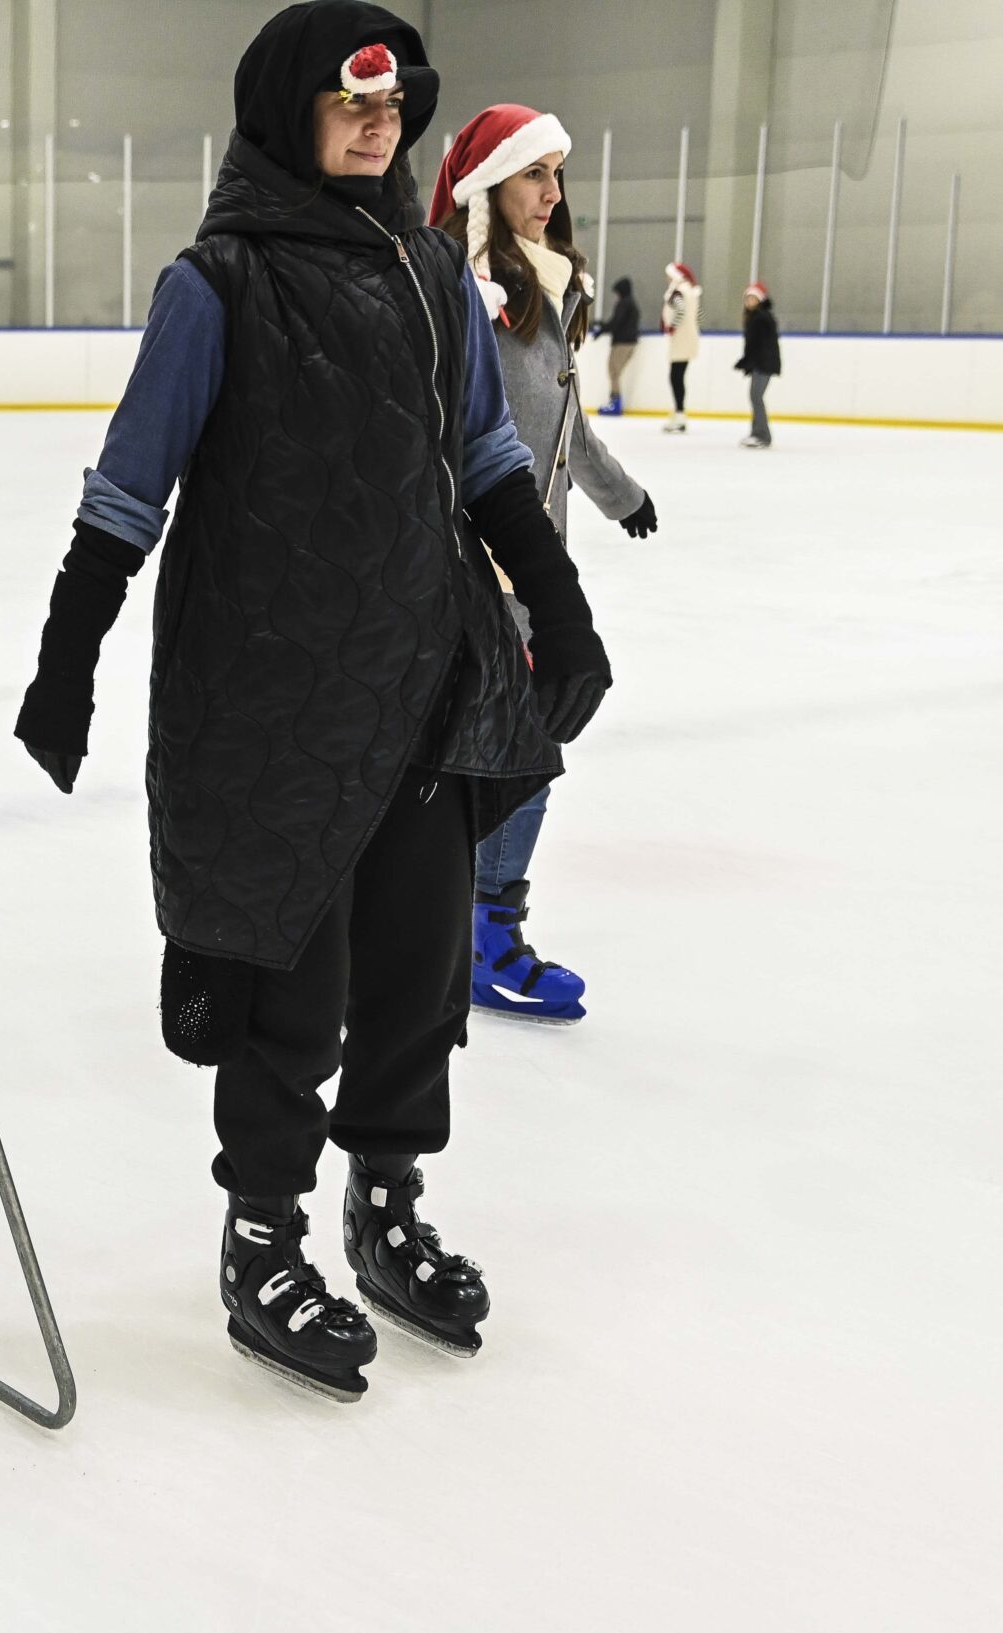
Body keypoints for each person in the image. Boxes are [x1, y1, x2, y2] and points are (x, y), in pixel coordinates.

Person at [13, 3, 608, 1399]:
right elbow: (129, 486)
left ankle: (384, 1204)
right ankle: (263, 1236)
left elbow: (485, 451)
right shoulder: (217, 281)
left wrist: (561, 603)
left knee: (417, 972)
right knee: (291, 982)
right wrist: (65, 654)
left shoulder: (427, 265)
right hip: (270, 690)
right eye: (352, 105)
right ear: (290, 114)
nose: (377, 126)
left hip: (425, 673)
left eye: (393, 108)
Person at [431, 102, 657, 1027]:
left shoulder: (546, 293)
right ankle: (482, 939)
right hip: (477, 571)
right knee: (520, 748)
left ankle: (461, 930)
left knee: (511, 747)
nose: (553, 193)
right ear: (489, 186)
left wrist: (620, 495)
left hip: (531, 566)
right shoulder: (469, 297)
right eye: (535, 173)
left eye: (558, 174)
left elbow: (566, 428)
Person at [736, 280, 780, 447]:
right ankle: (757, 433)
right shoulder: (756, 316)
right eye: (748, 298)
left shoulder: (761, 317)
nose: (749, 301)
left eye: (753, 298)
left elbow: (758, 345)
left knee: (756, 396)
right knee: (755, 396)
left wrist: (746, 361)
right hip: (761, 363)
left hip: (764, 363)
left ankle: (763, 435)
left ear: (760, 300)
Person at [661, 260, 700, 432]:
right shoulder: (690, 290)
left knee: (676, 377)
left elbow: (681, 310)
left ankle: (679, 414)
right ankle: (679, 413)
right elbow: (697, 314)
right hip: (688, 338)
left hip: (681, 339)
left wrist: (672, 327)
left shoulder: (679, 292)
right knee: (677, 376)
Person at [595, 275, 641, 415]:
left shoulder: (624, 304)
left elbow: (616, 322)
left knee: (614, 371)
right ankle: (614, 401)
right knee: (614, 371)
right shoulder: (631, 303)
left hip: (623, 343)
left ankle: (615, 403)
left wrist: (602, 329)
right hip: (628, 342)